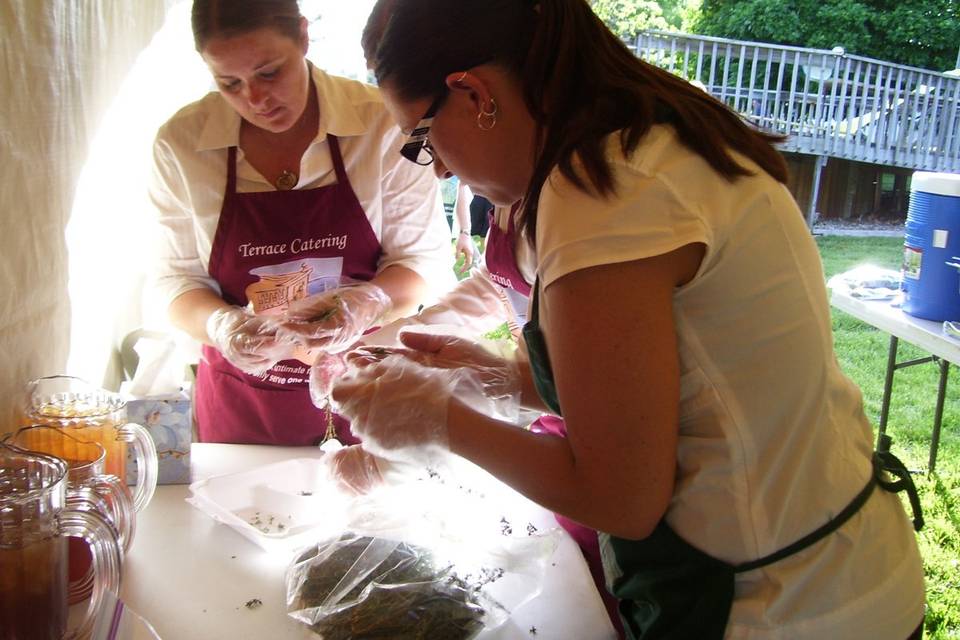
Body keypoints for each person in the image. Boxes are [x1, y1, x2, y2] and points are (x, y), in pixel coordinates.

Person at [328, 1, 927, 638]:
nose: (441, 168)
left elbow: (619, 498)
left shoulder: (601, 193)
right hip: (836, 564)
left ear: (473, 92)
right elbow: (683, 389)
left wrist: (438, 421)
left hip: (781, 606)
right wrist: (504, 381)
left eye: (422, 139)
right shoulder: (648, 137)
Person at [148, 0, 454, 445]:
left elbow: (422, 264)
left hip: (367, 389)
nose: (255, 100)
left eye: (270, 72)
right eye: (229, 83)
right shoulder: (182, 144)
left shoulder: (381, 126)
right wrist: (222, 326)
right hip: (244, 409)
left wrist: (367, 301)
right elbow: (174, 282)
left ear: (304, 37)